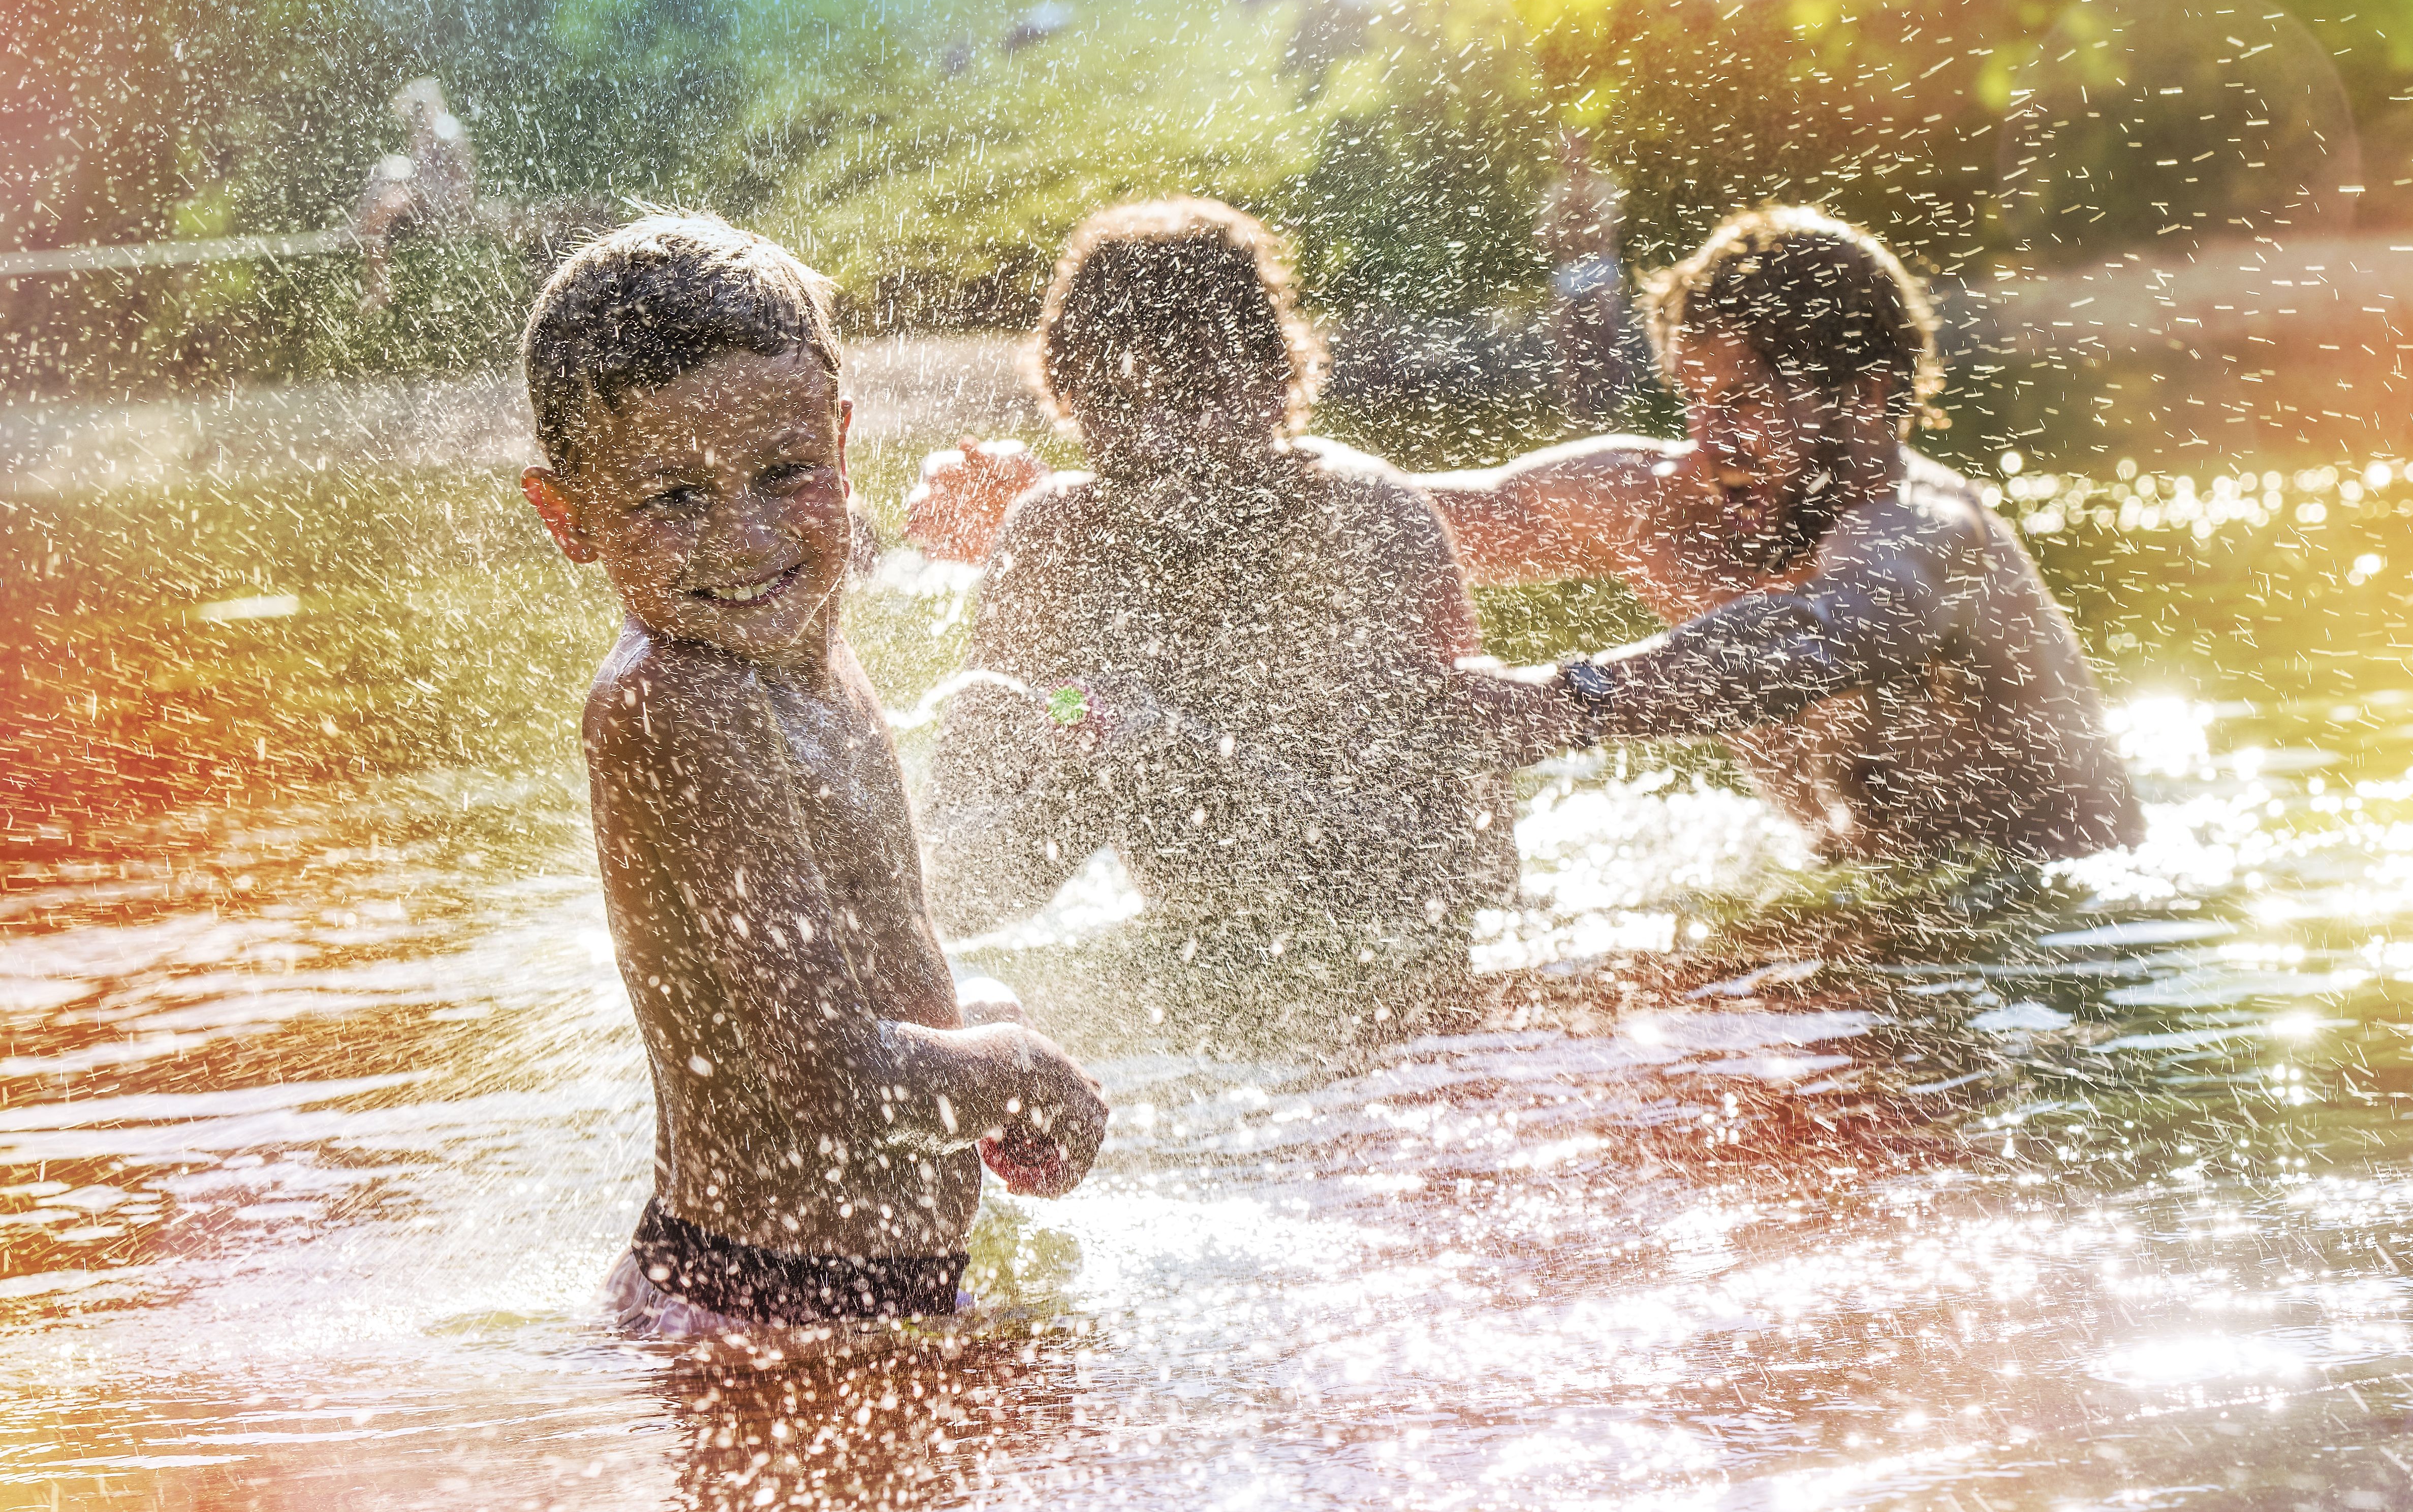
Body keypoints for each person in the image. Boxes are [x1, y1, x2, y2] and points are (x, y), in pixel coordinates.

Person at [515, 214, 1108, 1335]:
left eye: (783, 473)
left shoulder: (793, 633)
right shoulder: (686, 699)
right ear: (568, 517)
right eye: (671, 498)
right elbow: (828, 1079)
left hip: (837, 1296)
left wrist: (959, 1009)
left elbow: (828, 983)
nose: (743, 539)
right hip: (772, 1315)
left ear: (838, 444)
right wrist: (1019, 1068)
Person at [903, 198, 1511, 1003]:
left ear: (1272, 383)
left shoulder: (1370, 522)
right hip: (1180, 976)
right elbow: (943, 879)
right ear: (1067, 400)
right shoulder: (1053, 542)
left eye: (1191, 393)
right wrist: (1071, 772)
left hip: (1388, 993)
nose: (1155, 435)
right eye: (1118, 404)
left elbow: (1469, 865)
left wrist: (1172, 758)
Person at [1421, 207, 2143, 865]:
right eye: (1694, 402)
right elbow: (1401, 521)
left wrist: (1565, 702)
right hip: (1859, 897)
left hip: (2045, 928)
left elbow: (1829, 633)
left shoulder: (1926, 531)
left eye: (1738, 399)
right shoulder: (1662, 507)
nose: (1709, 441)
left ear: (1867, 392)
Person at [352, 79, 478, 313]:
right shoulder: (421, 132)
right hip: (425, 204)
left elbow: (461, 186)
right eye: (415, 111)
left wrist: (420, 197)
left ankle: (379, 284)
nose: (418, 116)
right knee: (385, 177)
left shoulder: (447, 131)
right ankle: (379, 279)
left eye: (421, 108)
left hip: (446, 207)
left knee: (385, 204)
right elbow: (418, 174)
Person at [1539, 127, 1628, 419]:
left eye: (1576, 148)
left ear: (1586, 151)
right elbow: (1544, 235)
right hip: (1570, 272)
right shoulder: (1555, 190)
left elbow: (1606, 231)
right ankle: (1574, 400)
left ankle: (1613, 396)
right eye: (1567, 149)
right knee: (1568, 335)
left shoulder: (1603, 187)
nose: (1572, 155)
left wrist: (1571, 232)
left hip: (1600, 268)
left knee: (1607, 333)